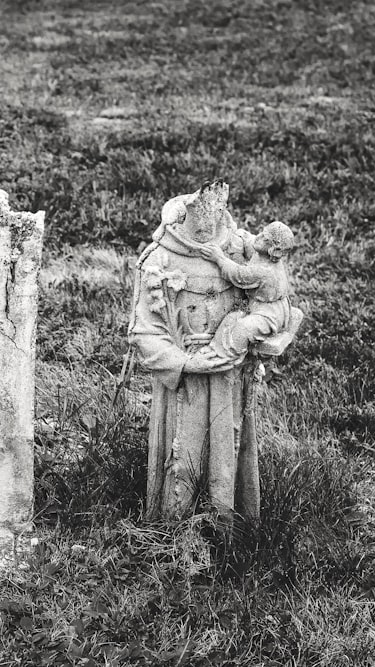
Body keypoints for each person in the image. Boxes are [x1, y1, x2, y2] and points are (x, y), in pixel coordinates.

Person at [128, 180, 290, 520]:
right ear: (183, 217)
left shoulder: (242, 247)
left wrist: (255, 336)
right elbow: (143, 332)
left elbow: (274, 295)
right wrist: (185, 363)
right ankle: (172, 532)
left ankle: (227, 525)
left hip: (228, 374)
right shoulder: (159, 257)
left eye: (213, 220)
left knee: (226, 449)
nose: (206, 228)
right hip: (185, 380)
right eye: (198, 222)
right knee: (181, 455)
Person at [195, 221, 295, 364]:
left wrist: (219, 258)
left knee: (243, 328)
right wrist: (239, 234)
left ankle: (223, 355)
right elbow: (250, 241)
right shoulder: (262, 252)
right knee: (233, 319)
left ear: (274, 250)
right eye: (262, 232)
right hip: (266, 304)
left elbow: (238, 274)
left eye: (265, 239)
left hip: (269, 314)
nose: (259, 236)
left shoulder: (264, 270)